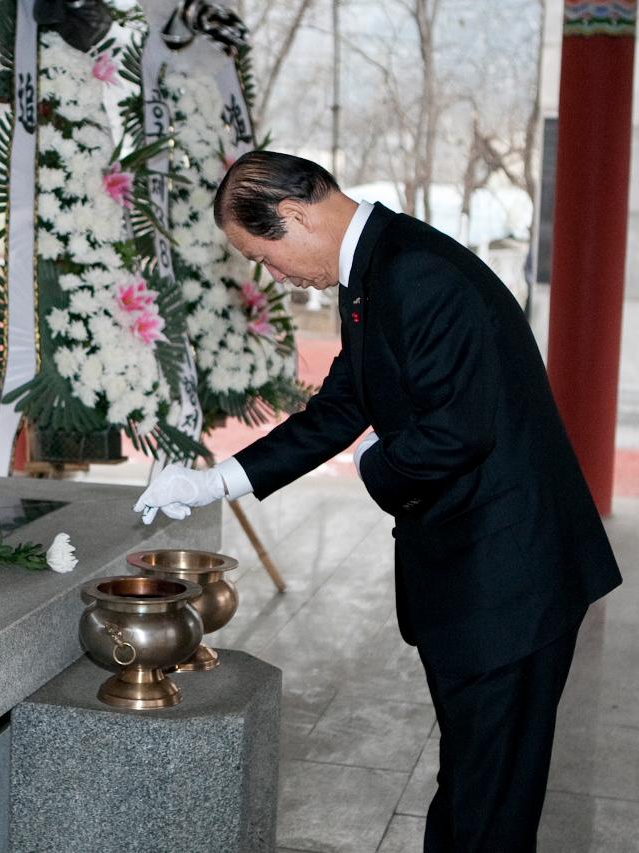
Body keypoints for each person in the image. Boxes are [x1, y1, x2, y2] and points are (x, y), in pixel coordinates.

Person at [135, 150, 622, 852]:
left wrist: (374, 462)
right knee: (472, 784)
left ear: (296, 216)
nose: (274, 275)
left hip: (509, 575)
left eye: (263, 255)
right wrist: (216, 480)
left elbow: (460, 428)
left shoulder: (413, 273)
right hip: (478, 570)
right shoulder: (378, 268)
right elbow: (341, 405)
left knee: (489, 804)